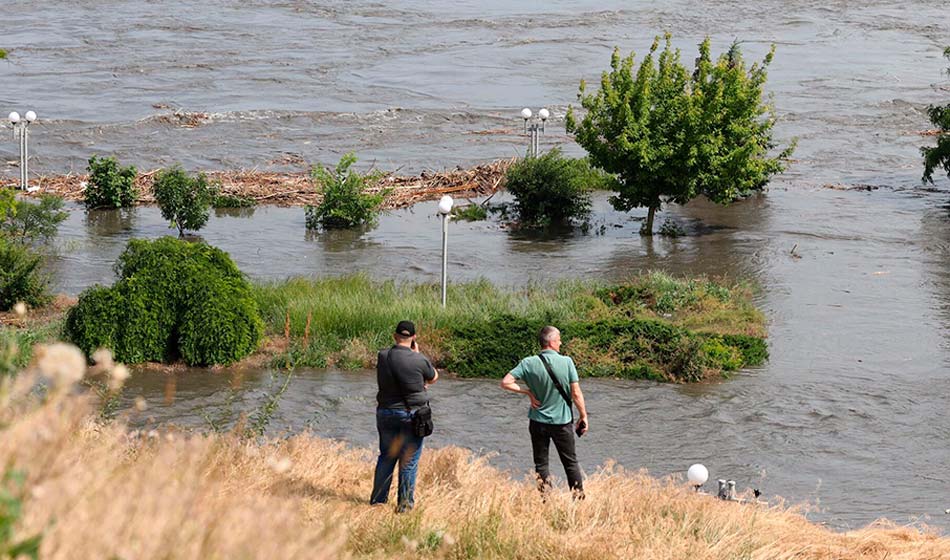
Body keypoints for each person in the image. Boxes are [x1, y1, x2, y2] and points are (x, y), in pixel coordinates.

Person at [500, 325, 588, 497]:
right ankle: (578, 500)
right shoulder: (567, 362)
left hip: (537, 421)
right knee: (570, 463)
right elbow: (576, 393)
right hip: (562, 422)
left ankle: (546, 501)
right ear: (552, 342)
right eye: (559, 339)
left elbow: (505, 382)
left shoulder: (528, 362)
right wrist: (583, 416)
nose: (561, 342)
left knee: (541, 464)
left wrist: (527, 392)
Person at [370, 320, 438, 511]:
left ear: (394, 336)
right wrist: (416, 354)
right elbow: (433, 377)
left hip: (385, 412)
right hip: (411, 415)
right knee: (408, 461)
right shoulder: (419, 359)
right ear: (414, 338)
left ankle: (377, 502)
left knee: (386, 457)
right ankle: (405, 506)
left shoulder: (383, 356)